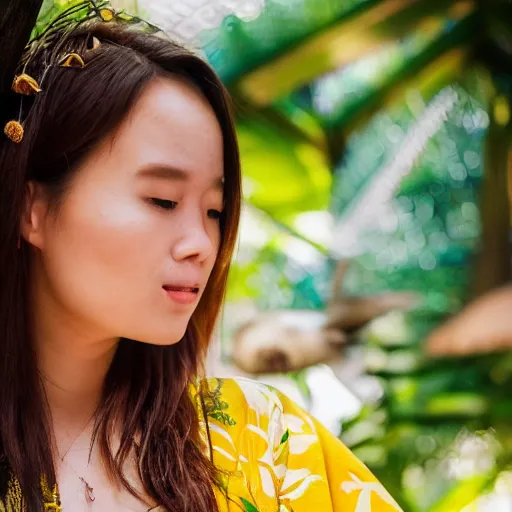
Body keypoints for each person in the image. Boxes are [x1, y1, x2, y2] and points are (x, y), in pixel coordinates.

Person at [0, 1, 403, 511]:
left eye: (214, 210)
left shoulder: (268, 445)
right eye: (162, 200)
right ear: (31, 207)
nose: (201, 243)